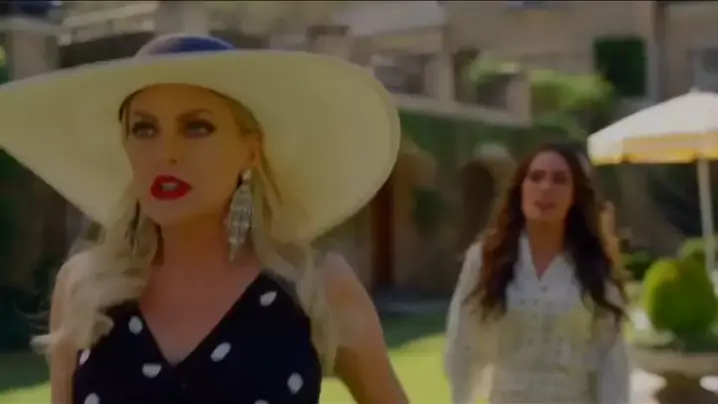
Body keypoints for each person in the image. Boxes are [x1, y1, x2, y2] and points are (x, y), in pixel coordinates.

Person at [0, 34, 408, 404]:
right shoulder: (84, 290)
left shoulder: (315, 287)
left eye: (196, 127)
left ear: (250, 151)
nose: (166, 152)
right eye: (144, 129)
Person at [444, 141, 630, 404]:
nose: (545, 188)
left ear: (575, 195)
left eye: (559, 180)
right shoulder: (485, 259)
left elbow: (611, 358)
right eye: (536, 177)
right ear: (521, 188)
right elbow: (463, 344)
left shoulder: (594, 265)